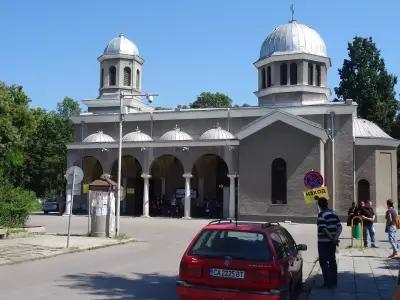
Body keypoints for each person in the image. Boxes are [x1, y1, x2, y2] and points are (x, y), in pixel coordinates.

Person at [317, 197, 342, 288]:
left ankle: (327, 282)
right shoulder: (334, 213)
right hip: (332, 243)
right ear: (327, 204)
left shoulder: (321, 215)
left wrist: (332, 238)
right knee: (332, 261)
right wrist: (335, 238)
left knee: (323, 262)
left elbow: (323, 229)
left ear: (319, 205)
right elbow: (340, 227)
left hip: (323, 242)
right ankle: (334, 281)